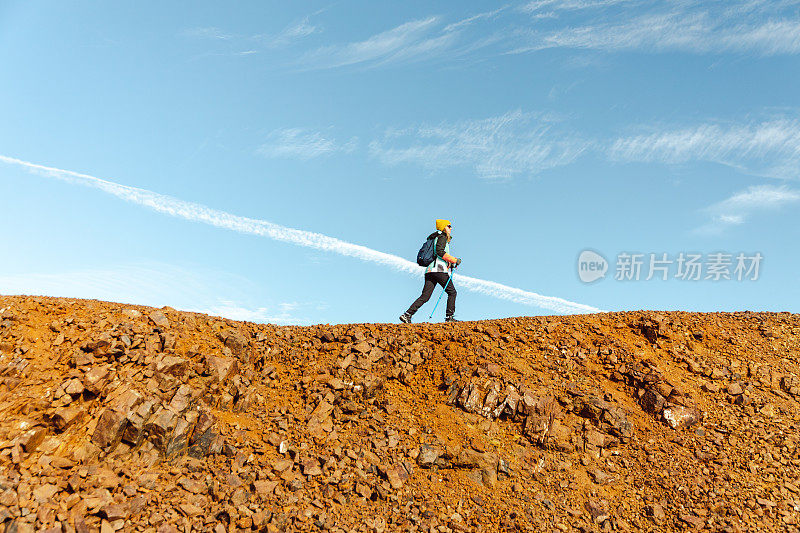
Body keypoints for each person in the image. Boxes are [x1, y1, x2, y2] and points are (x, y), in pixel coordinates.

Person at [400, 219, 461, 323]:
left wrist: (450, 263)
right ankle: (449, 317)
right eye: (449, 226)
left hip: (430, 271)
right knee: (452, 292)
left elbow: (438, 254)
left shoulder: (435, 238)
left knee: (425, 296)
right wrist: (455, 260)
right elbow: (440, 252)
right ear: (443, 227)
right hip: (439, 270)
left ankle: (407, 314)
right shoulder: (442, 237)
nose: (451, 228)